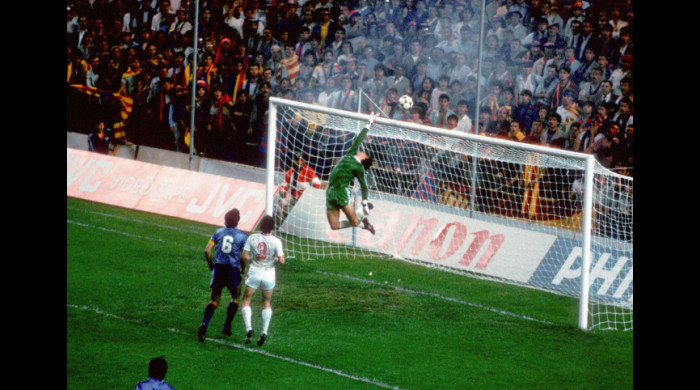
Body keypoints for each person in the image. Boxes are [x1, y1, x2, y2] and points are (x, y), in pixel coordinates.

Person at [198, 208, 249, 343]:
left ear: (225, 220)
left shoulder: (218, 232)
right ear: (238, 221)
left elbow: (207, 250)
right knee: (235, 298)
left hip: (219, 269)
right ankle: (227, 326)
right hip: (232, 269)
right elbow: (243, 256)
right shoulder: (243, 237)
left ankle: (204, 324)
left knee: (214, 300)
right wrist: (244, 268)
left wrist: (210, 264)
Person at [326, 114, 378, 235]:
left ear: (364, 159)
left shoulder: (358, 168)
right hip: (330, 192)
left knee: (354, 222)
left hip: (341, 193)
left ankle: (364, 213)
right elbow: (359, 139)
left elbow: (364, 186)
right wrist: (368, 123)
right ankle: (364, 224)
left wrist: (364, 201)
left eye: (364, 154)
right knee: (334, 226)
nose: (362, 152)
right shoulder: (351, 153)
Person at [240, 214, 285, 346]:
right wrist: (275, 259)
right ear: (272, 227)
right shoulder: (277, 241)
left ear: (261, 225)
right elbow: (282, 260)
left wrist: (252, 260)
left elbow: (244, 255)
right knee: (266, 303)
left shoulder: (252, 238)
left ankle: (249, 328)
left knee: (246, 301)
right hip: (268, 275)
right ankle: (264, 331)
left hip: (254, 272)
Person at [276, 153, 322, 224]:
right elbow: (284, 184)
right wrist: (282, 191)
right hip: (293, 196)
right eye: (297, 160)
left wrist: (311, 195)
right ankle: (283, 222)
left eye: (301, 160)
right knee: (281, 201)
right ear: (294, 160)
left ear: (304, 161)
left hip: (305, 198)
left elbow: (317, 184)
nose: (299, 162)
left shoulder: (309, 171)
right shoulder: (290, 171)